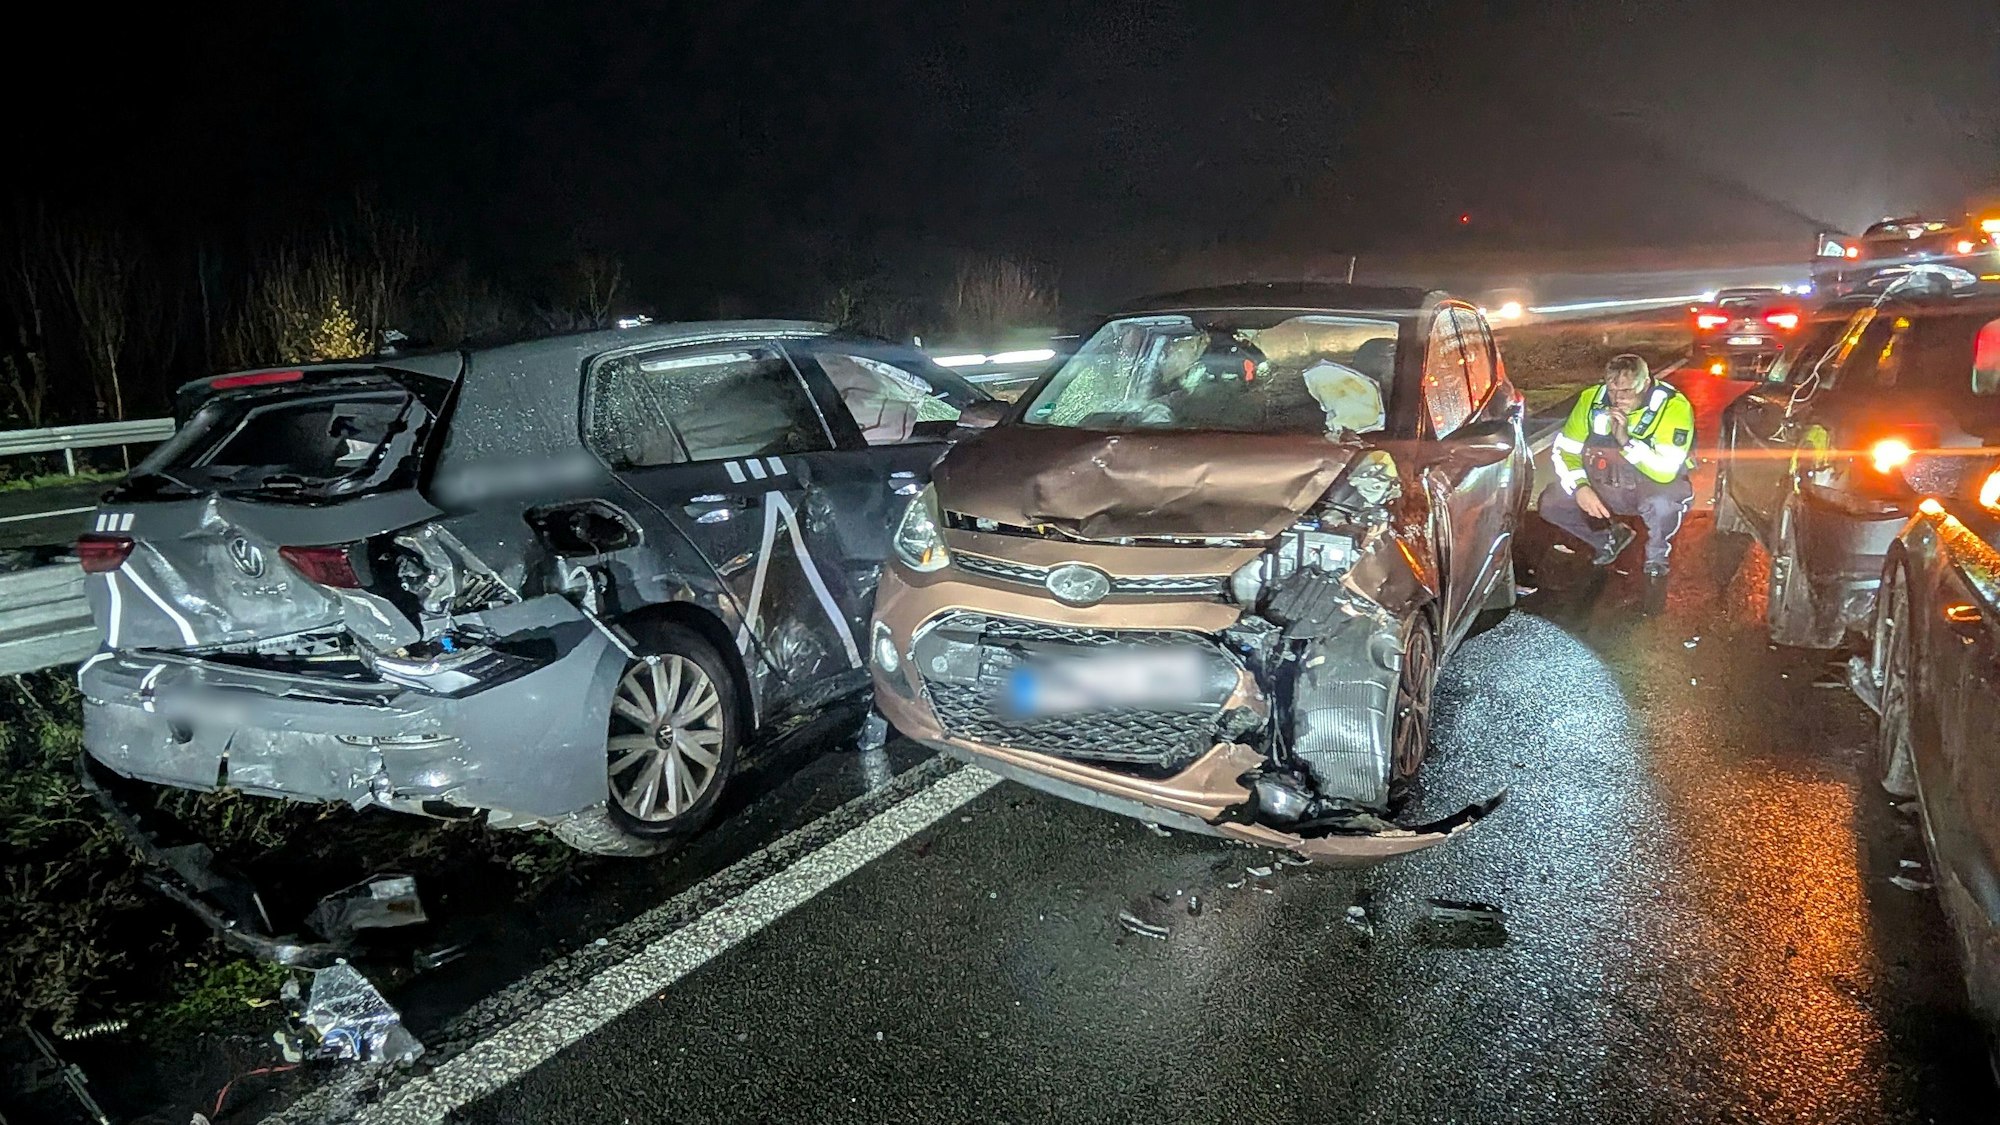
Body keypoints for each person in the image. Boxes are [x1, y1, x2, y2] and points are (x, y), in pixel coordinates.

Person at [1539, 353, 1695, 584]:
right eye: (1612, 391)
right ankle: (1608, 540)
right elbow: (1565, 451)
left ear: (1646, 383)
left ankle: (1657, 557)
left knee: (1662, 505)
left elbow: (1664, 470)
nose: (1617, 399)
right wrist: (1580, 487)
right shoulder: (1591, 400)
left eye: (1627, 392)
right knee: (1551, 503)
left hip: (1652, 485)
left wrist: (1626, 441)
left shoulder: (1673, 406)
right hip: (1605, 482)